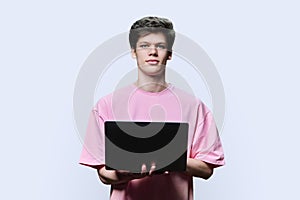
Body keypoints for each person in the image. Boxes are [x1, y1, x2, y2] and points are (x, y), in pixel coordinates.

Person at [79, 16, 225, 200]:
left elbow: (206, 169)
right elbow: (103, 174)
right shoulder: (106, 105)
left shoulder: (194, 107)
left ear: (169, 53)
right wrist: (127, 173)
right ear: (134, 52)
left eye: (161, 46)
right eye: (144, 45)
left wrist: (168, 159)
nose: (153, 52)